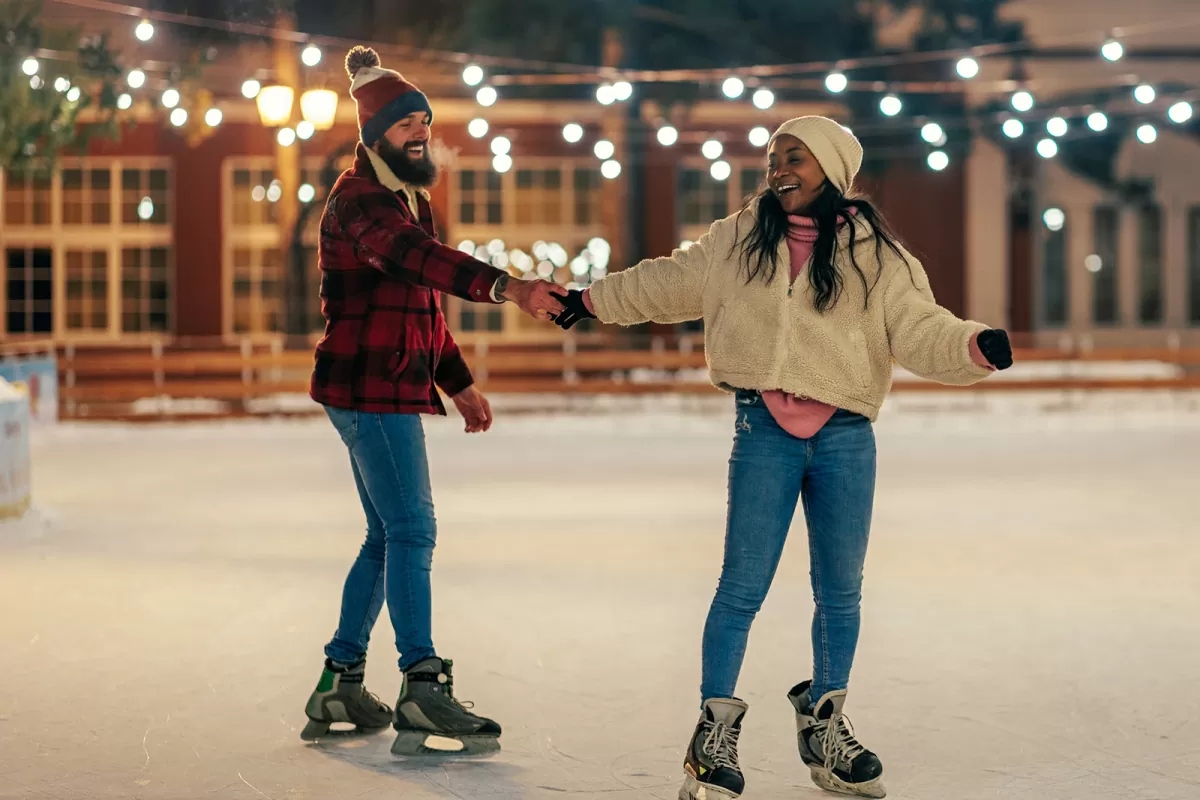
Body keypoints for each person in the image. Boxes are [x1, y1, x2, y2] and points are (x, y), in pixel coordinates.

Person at [552, 116, 1013, 799]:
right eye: (773, 157)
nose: (778, 168)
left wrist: (972, 346)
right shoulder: (739, 239)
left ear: (832, 168)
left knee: (841, 591)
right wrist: (589, 300)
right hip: (763, 428)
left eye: (794, 156)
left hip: (845, 434)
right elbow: (667, 282)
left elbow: (919, 326)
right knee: (741, 587)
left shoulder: (877, 256)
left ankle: (825, 725)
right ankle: (712, 736)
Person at [300, 46, 563, 757]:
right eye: (404, 123)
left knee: (386, 536)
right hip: (369, 387)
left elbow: (422, 307)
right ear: (375, 134)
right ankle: (422, 685)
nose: (419, 132)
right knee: (412, 530)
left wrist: (458, 381)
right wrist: (510, 287)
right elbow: (420, 261)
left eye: (423, 120)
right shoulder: (361, 200)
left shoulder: (409, 199)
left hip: (384, 383)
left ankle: (339, 681)